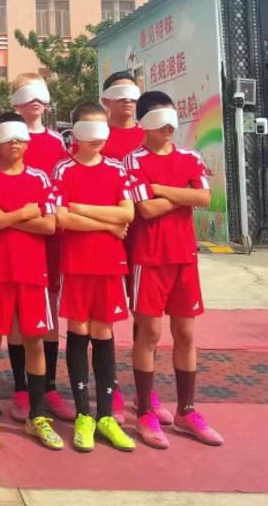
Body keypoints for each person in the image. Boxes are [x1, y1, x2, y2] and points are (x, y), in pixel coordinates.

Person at [124, 91, 223, 448]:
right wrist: (184, 194)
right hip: (148, 258)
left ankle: (186, 410)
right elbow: (146, 210)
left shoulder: (190, 157)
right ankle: (145, 412)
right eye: (158, 118)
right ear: (143, 123)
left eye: (171, 118)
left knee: (185, 333)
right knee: (149, 333)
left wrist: (162, 189)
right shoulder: (133, 161)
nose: (167, 126)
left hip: (185, 258)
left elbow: (205, 197)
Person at [0, 112, 63, 455]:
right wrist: (24, 213)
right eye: (6, 137)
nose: (13, 143)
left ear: (27, 141)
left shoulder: (40, 178)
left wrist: (3, 218)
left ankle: (37, 416)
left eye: (19, 137)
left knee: (35, 342)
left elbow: (49, 225)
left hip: (32, 273)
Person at [53, 102, 136, 453]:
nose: (98, 136)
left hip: (109, 264)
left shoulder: (116, 169)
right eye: (90, 129)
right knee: (78, 330)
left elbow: (128, 213)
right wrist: (108, 223)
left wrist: (83, 208)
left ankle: (105, 416)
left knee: (103, 332)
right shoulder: (63, 169)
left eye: (103, 129)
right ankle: (83, 415)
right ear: (76, 133)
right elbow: (62, 217)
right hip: (76, 263)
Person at [6, 72, 75, 424]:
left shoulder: (58, 142)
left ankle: (48, 386)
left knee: (48, 312)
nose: (34, 100)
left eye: (40, 93)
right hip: (16, 237)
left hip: (51, 238)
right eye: (26, 93)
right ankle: (20, 387)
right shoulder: (5, 139)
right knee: (17, 315)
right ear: (15, 101)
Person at [99, 69, 146, 421]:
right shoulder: (95, 138)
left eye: (133, 94)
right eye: (119, 94)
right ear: (106, 100)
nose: (127, 100)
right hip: (108, 241)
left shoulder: (150, 135)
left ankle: (146, 393)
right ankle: (110, 388)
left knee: (146, 320)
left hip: (146, 240)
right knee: (105, 320)